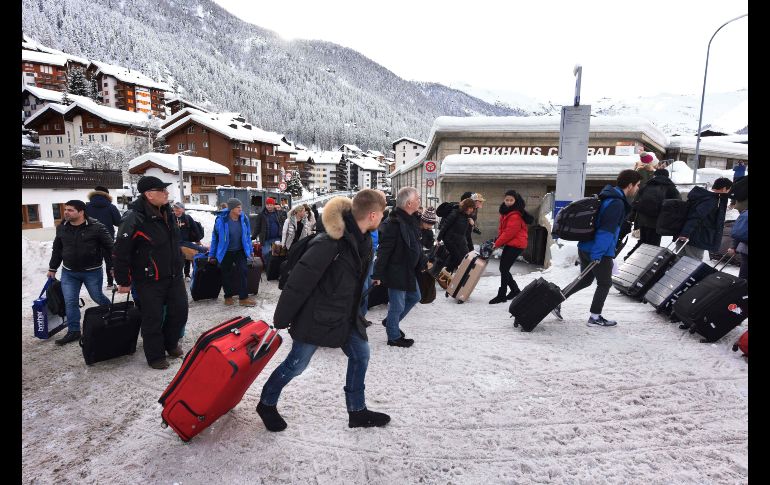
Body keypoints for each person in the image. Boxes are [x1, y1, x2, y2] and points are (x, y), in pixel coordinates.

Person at [256, 190, 390, 431]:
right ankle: (266, 403)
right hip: (316, 317)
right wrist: (282, 318)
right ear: (372, 215)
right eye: (382, 213)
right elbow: (299, 282)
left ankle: (357, 411)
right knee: (296, 364)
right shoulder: (329, 242)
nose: (383, 217)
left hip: (346, 315)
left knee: (361, 355)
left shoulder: (364, 240)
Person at [112, 176, 188, 369]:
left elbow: (173, 242)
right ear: (149, 194)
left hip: (173, 275)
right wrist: (123, 280)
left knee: (180, 312)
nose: (166, 193)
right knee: (152, 318)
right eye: (162, 190)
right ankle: (155, 356)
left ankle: (170, 343)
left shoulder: (167, 212)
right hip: (148, 279)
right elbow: (121, 251)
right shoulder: (134, 217)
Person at [554, 170, 642, 327]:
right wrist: (598, 254)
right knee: (605, 283)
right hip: (599, 250)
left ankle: (555, 300)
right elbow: (606, 231)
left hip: (586, 246)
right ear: (630, 185)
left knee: (585, 280)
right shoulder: (616, 203)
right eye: (637, 185)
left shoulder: (607, 196)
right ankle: (595, 317)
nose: (637, 189)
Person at [47, 200, 113, 345]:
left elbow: (110, 248)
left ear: (81, 212)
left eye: (70, 210)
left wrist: (113, 267)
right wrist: (52, 268)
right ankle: (74, 331)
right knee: (70, 301)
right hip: (69, 272)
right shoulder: (62, 228)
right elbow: (57, 249)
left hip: (92, 271)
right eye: (65, 209)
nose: (66, 212)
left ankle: (112, 317)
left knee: (97, 297)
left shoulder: (97, 227)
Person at [372, 187, 430, 348]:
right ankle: (393, 337)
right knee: (397, 305)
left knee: (415, 297)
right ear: (409, 203)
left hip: (408, 269)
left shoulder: (412, 219)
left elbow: (416, 245)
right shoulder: (393, 223)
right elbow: (384, 251)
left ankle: (391, 322)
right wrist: (377, 274)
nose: (419, 201)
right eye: (417, 199)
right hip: (396, 270)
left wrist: (422, 261)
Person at [208, 198, 257, 307]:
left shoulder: (244, 218)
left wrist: (250, 250)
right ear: (231, 209)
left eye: (241, 207)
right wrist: (211, 254)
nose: (240, 209)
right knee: (226, 274)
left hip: (240, 250)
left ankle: (243, 298)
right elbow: (215, 238)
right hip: (226, 252)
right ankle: (228, 296)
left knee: (243, 271)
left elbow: (247, 236)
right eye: (238, 207)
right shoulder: (221, 220)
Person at [488, 190, 533, 304]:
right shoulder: (506, 212)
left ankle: (502, 295)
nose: (508, 202)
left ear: (515, 201)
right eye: (506, 200)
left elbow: (509, 232)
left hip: (517, 244)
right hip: (511, 243)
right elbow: (503, 230)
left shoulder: (515, 215)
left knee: (504, 268)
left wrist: (497, 243)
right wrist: (497, 240)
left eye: (511, 200)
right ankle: (514, 290)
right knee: (504, 268)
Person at [625, 168, 681, 259]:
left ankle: (631, 257)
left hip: (642, 220)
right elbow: (677, 206)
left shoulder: (646, 186)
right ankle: (645, 261)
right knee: (654, 245)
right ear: (667, 176)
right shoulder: (671, 188)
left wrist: (631, 218)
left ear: (655, 175)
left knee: (643, 241)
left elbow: (636, 202)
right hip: (658, 222)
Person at [675, 177, 732, 261]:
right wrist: (685, 233)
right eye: (729, 189)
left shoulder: (703, 197)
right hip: (696, 237)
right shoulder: (711, 200)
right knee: (692, 263)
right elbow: (696, 216)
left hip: (687, 234)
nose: (729, 192)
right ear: (724, 189)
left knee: (679, 262)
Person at [85, 186, 122, 287]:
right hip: (107, 239)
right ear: (107, 195)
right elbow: (118, 222)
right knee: (110, 261)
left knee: (94, 263)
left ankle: (94, 284)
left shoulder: (86, 207)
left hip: (90, 239)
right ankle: (110, 283)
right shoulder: (111, 207)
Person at [436, 198, 476, 273]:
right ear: (466, 207)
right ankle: (445, 273)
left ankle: (447, 273)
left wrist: (472, 225)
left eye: (473, 208)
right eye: (470, 207)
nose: (471, 210)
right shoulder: (455, 212)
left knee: (462, 258)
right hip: (449, 239)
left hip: (458, 240)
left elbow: (465, 232)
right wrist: (439, 238)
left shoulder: (467, 216)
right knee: (456, 258)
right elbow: (445, 225)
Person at [172, 202, 207, 279]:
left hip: (185, 242)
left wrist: (198, 240)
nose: (176, 210)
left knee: (188, 257)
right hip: (174, 242)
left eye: (178, 208)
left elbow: (195, 229)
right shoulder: (171, 218)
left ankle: (187, 274)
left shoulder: (187, 218)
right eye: (175, 208)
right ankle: (177, 275)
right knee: (177, 260)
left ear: (182, 209)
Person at [253, 197, 286, 269]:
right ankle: (268, 267)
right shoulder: (261, 215)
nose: (269, 206)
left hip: (277, 238)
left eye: (271, 205)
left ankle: (275, 268)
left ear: (273, 205)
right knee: (265, 253)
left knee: (277, 254)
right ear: (265, 205)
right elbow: (257, 227)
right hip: (266, 238)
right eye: (267, 205)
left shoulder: (278, 213)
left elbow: (283, 223)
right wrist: (254, 236)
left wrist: (283, 234)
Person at [727, 208, 748, 280]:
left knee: (743, 277)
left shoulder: (745, 211)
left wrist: (733, 246)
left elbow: (739, 229)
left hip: (744, 248)